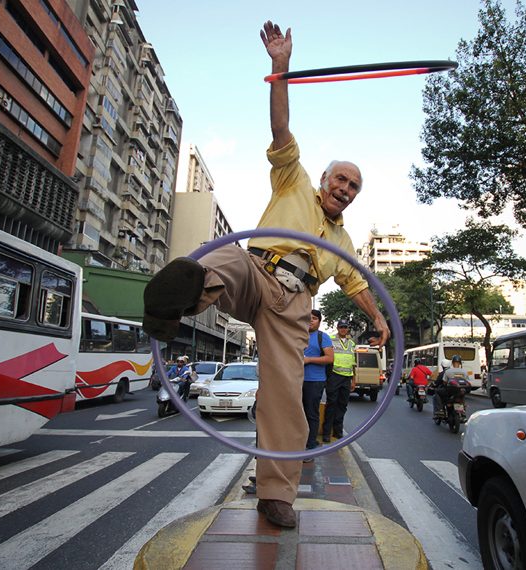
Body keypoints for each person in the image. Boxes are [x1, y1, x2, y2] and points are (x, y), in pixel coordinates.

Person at [141, 20, 390, 530]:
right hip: (256, 270)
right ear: (323, 179)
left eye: (354, 186)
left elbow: (356, 283)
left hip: (296, 307)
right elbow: (281, 131)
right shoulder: (294, 179)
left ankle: (276, 495)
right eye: (341, 178)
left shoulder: (341, 242)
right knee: (224, 257)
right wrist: (280, 68)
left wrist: (381, 321)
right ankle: (177, 300)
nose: (346, 188)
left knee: (284, 400)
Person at [302, 309, 334, 461]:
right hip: (295, 380)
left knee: (311, 413)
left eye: (314, 318)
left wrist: (309, 360)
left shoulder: (323, 337)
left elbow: (329, 358)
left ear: (319, 321)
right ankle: (298, 444)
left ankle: (310, 447)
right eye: (308, 318)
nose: (310, 320)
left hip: (315, 381)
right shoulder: (297, 335)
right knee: (297, 414)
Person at [322, 320, 356, 443]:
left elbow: (353, 363)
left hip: (347, 378)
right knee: (331, 405)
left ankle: (338, 431)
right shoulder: (330, 340)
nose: (343, 329)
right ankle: (326, 433)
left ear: (348, 329)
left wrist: (354, 380)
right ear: (337, 328)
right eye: (341, 327)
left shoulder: (352, 344)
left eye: (345, 327)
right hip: (334, 376)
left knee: (342, 405)